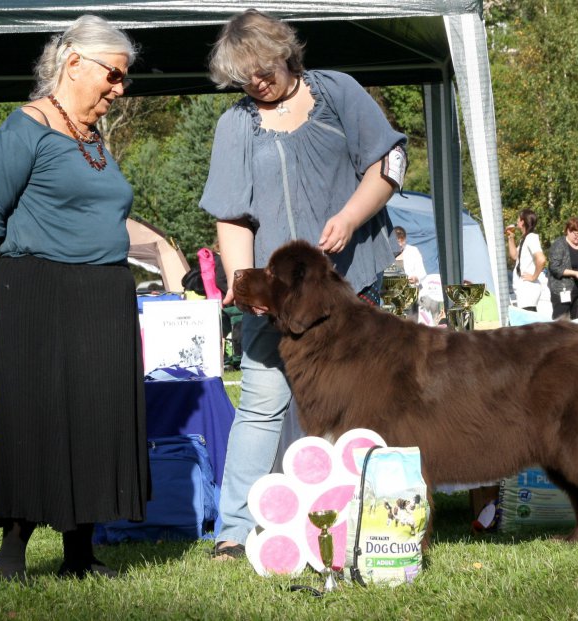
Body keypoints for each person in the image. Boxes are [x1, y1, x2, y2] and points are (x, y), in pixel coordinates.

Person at [199, 9, 406, 560]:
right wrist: (246, 286)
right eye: (243, 78)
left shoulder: (338, 92)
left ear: (286, 53)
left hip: (349, 287)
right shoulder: (236, 125)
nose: (256, 83)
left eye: (262, 69)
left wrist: (350, 217)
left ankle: (372, 521)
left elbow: (390, 162)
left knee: (363, 404)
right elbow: (230, 215)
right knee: (262, 405)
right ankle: (235, 532)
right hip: (275, 302)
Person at [0, 15, 148, 582]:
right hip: (37, 292)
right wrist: (3, 283)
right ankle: (11, 559)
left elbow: (98, 213)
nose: (119, 90)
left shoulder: (91, 136)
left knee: (97, 415)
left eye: (123, 79)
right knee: (37, 418)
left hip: (102, 294)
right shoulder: (24, 130)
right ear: (74, 65)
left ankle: (79, 555)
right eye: (114, 76)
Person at [505, 208, 546, 312]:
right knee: (527, 320)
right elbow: (514, 256)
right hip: (524, 288)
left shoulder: (531, 237)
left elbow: (541, 259)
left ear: (522, 222)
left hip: (529, 288)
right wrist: (511, 237)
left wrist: (533, 277)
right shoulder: (525, 239)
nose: (517, 221)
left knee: (528, 322)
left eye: (518, 219)